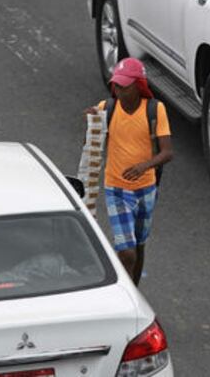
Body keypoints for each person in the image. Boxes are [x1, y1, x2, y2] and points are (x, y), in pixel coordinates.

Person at [85, 57, 172, 285]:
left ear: (138, 86)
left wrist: (145, 166)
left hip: (146, 189)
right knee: (127, 252)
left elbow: (167, 153)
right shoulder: (108, 108)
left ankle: (134, 291)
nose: (119, 90)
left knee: (139, 244)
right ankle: (122, 290)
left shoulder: (155, 110)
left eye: (124, 86)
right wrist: (92, 121)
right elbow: (94, 138)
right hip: (116, 189)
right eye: (117, 85)